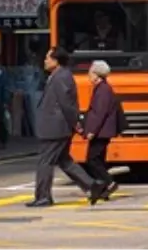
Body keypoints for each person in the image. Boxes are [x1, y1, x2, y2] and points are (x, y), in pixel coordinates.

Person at [30, 47, 107, 207]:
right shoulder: (57, 76)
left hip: (55, 128)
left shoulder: (61, 77)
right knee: (65, 161)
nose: (45, 61)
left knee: (45, 161)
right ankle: (93, 186)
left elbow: (67, 104)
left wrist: (76, 124)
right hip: (56, 126)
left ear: (56, 60)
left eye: (47, 58)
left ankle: (43, 196)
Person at [82, 60, 122, 199]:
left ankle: (109, 183)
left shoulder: (103, 90)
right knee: (98, 159)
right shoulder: (101, 88)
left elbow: (100, 112)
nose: (89, 75)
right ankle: (103, 189)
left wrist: (92, 131)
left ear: (97, 74)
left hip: (101, 132)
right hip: (102, 131)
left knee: (91, 160)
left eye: (90, 72)